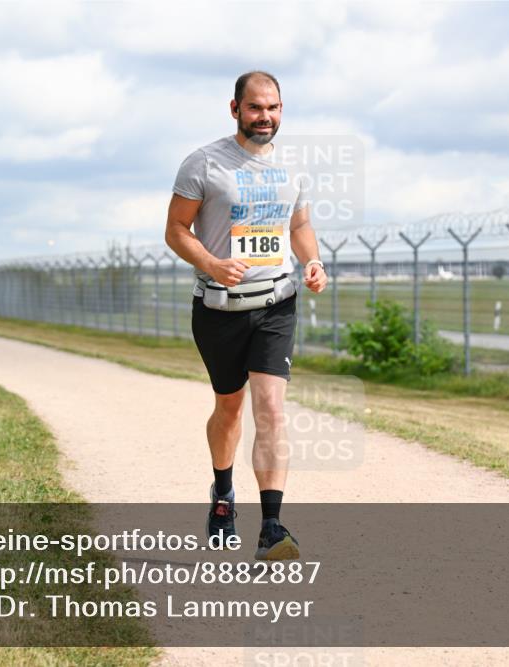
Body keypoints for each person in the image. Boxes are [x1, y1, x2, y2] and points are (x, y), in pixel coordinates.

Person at [165, 71, 328, 561]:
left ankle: (273, 527)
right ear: (235, 109)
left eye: (274, 108)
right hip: (219, 309)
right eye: (256, 108)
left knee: (272, 409)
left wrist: (312, 260)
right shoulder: (205, 164)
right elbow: (175, 229)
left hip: (276, 302)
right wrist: (212, 263)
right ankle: (222, 495)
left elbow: (299, 224)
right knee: (230, 409)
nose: (266, 117)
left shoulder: (293, 166)